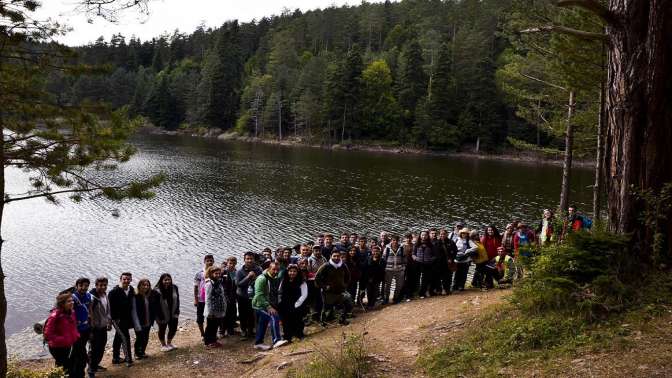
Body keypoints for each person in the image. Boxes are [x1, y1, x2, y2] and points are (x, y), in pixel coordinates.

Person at [252, 262, 288, 350]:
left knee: (263, 323)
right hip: (260, 305)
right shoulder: (261, 279)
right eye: (273, 269)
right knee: (274, 317)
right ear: (268, 269)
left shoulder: (273, 278)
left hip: (267, 303)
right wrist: (268, 307)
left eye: (277, 270)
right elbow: (259, 294)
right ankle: (276, 340)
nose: (276, 271)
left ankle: (258, 343)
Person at [44, 293, 79, 376]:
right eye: (69, 301)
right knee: (63, 366)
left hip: (68, 344)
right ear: (62, 304)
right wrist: (62, 339)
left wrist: (76, 335)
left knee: (69, 365)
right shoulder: (54, 316)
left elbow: (73, 326)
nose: (72, 303)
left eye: (72, 301)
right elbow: (48, 334)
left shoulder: (71, 312)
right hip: (57, 347)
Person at [315, 249, 352, 326]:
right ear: (330, 256)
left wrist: (345, 285)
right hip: (328, 292)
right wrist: (324, 287)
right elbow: (317, 278)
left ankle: (342, 320)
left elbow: (348, 276)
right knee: (326, 308)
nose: (336, 257)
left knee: (343, 306)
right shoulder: (326, 266)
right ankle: (323, 322)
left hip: (340, 290)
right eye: (334, 256)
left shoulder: (343, 265)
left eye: (338, 256)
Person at [109, 272, 135, 366]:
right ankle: (128, 360)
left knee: (118, 337)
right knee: (125, 338)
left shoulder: (131, 290)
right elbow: (109, 308)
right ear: (120, 279)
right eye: (124, 279)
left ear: (131, 280)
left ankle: (115, 358)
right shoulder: (113, 292)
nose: (126, 281)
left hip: (127, 319)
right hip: (117, 320)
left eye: (128, 279)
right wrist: (111, 321)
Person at [235, 251, 262, 340]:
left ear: (254, 259)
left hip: (253, 296)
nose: (249, 261)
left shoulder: (258, 269)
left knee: (251, 313)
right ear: (244, 260)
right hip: (242, 296)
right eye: (247, 259)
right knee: (243, 314)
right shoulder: (239, 271)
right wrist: (248, 277)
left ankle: (251, 330)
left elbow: (261, 282)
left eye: (251, 259)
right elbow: (238, 284)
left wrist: (255, 278)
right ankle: (243, 330)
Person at [279, 264, 309, 342]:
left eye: (294, 271)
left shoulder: (302, 282)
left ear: (297, 272)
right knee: (286, 320)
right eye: (290, 271)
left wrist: (297, 304)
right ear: (287, 272)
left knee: (298, 319)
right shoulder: (283, 280)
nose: (292, 273)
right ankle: (287, 336)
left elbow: (304, 295)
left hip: (297, 303)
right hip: (285, 303)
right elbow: (280, 291)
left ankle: (299, 334)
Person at [88, 277, 111, 375]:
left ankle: (95, 365)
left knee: (101, 347)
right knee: (93, 349)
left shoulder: (105, 294)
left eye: (105, 285)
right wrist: (91, 328)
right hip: (95, 328)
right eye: (101, 285)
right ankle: (91, 369)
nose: (103, 287)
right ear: (96, 285)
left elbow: (107, 309)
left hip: (103, 326)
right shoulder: (91, 297)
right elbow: (89, 313)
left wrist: (109, 322)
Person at [71, 278, 92, 378]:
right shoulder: (73, 298)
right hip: (76, 331)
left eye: (86, 286)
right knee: (79, 354)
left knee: (81, 353)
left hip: (86, 329)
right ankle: (77, 374)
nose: (84, 288)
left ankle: (80, 374)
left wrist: (90, 324)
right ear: (76, 286)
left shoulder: (88, 296)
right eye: (81, 285)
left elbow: (89, 310)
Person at [153, 273, 180, 351]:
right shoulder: (156, 290)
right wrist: (158, 316)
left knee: (173, 328)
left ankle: (169, 343)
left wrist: (177, 311)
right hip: (161, 314)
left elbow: (177, 300)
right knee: (162, 329)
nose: (167, 281)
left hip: (173, 312)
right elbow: (155, 305)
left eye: (169, 280)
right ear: (161, 281)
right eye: (165, 280)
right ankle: (163, 345)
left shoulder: (175, 287)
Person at [131, 278, 155, 359]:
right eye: (143, 285)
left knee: (146, 337)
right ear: (139, 286)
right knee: (140, 337)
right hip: (139, 321)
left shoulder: (150, 295)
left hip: (148, 320)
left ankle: (143, 352)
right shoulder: (136, 296)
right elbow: (133, 311)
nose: (146, 287)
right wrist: (136, 323)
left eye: (147, 285)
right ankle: (136, 353)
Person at [203, 266, 226, 348]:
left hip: (219, 309)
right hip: (212, 310)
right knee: (210, 326)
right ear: (211, 274)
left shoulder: (219, 282)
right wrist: (210, 312)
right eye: (216, 273)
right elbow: (208, 299)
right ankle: (207, 342)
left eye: (219, 273)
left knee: (216, 325)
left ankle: (213, 340)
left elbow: (222, 295)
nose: (218, 275)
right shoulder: (209, 284)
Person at [194, 254, 215, 340]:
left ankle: (209, 333)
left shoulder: (215, 272)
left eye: (211, 260)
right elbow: (195, 287)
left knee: (211, 317)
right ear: (204, 262)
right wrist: (195, 299)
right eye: (208, 261)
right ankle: (203, 334)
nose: (209, 262)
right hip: (201, 299)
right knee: (200, 318)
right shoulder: (199, 273)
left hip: (211, 299)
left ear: (213, 261)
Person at [382, 235, 406, 304]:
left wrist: (403, 268)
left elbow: (404, 258)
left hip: (400, 270)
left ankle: (395, 298)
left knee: (399, 285)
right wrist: (384, 268)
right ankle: (386, 298)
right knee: (387, 285)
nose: (395, 242)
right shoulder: (387, 248)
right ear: (391, 241)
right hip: (388, 270)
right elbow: (383, 259)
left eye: (396, 240)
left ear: (398, 241)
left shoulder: (401, 248)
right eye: (393, 240)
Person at [413, 231, 436, 298]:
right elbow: (413, 254)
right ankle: (415, 292)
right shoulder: (417, 244)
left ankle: (422, 293)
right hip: (418, 264)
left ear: (427, 236)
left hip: (427, 264)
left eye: (425, 235)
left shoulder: (431, 245)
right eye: (422, 235)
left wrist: (430, 260)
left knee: (425, 279)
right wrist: (416, 258)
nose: (424, 236)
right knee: (416, 279)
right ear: (420, 236)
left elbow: (434, 255)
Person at [307, 245, 327, 321]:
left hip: (322, 281)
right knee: (313, 297)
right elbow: (308, 272)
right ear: (313, 251)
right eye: (316, 251)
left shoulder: (323, 258)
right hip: (312, 282)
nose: (318, 252)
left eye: (319, 250)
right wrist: (316, 275)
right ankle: (313, 313)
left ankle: (321, 312)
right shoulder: (310, 260)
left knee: (321, 297)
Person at [436, 229, 458, 295]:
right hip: (439, 263)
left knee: (447, 277)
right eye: (441, 234)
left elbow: (455, 251)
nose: (442, 235)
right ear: (439, 235)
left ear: (447, 234)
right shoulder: (437, 242)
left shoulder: (451, 242)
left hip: (448, 263)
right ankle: (439, 290)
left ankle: (447, 289)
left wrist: (452, 258)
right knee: (438, 277)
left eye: (444, 234)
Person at [221, 257, 238, 337]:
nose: (232, 265)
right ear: (227, 263)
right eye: (230, 263)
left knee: (232, 313)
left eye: (233, 263)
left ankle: (230, 330)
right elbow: (221, 285)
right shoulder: (223, 272)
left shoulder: (236, 272)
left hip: (233, 296)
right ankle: (222, 331)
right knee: (224, 314)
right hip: (225, 296)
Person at [401, 233, 418, 300]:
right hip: (404, 265)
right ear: (405, 239)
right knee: (404, 280)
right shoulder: (402, 246)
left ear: (411, 238)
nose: (408, 239)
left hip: (412, 265)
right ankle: (405, 294)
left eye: (409, 238)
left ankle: (410, 294)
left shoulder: (414, 245)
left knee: (411, 280)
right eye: (407, 238)